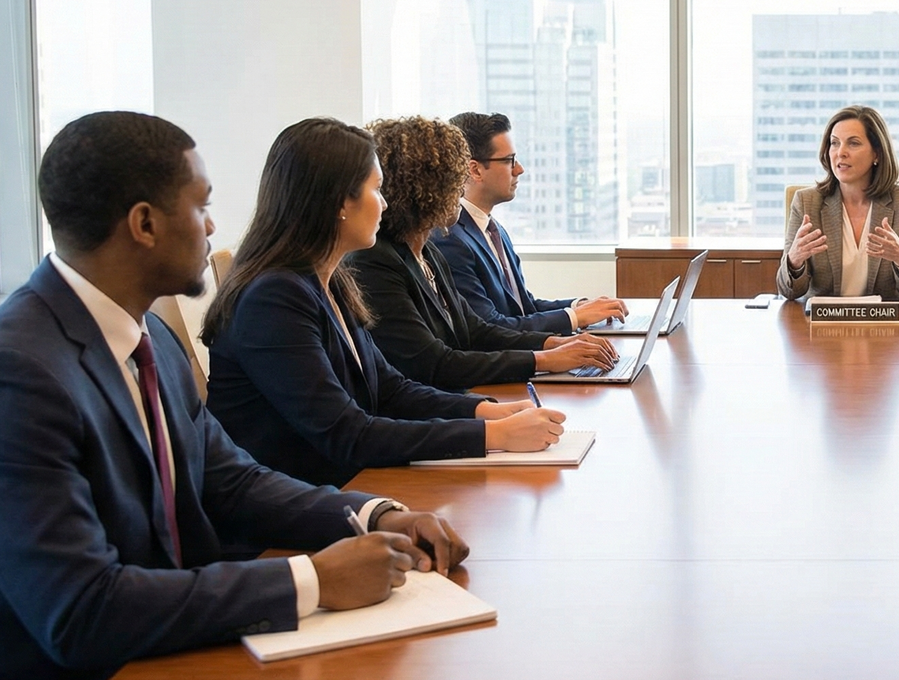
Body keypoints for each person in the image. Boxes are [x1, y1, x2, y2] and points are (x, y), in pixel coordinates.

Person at [0, 111, 471, 680]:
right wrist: (312, 581)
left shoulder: (146, 340)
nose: (213, 225)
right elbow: (82, 611)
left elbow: (230, 479)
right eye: (200, 204)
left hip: (147, 677)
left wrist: (372, 514)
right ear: (143, 223)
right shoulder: (10, 376)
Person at [204, 117, 567, 487]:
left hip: (346, 483)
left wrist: (486, 412)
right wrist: (495, 436)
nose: (385, 202)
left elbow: (391, 390)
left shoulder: (331, 280)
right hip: (305, 503)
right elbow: (349, 434)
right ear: (338, 201)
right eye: (376, 190)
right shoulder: (274, 298)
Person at [347, 116, 618, 389]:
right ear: (425, 189)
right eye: (454, 179)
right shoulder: (376, 260)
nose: (460, 189)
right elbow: (433, 363)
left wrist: (556, 343)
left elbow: (475, 330)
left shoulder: (427, 251)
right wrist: (543, 360)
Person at [431, 111, 628, 334]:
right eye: (509, 161)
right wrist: (573, 318)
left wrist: (578, 307)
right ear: (475, 170)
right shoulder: (450, 239)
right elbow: (489, 327)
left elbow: (523, 308)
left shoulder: (494, 230)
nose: (519, 169)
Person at [778, 104, 899, 301]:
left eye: (853, 143)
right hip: (822, 326)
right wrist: (794, 261)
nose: (840, 152)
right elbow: (789, 291)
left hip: (884, 326)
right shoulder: (807, 202)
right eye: (834, 143)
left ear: (876, 153)